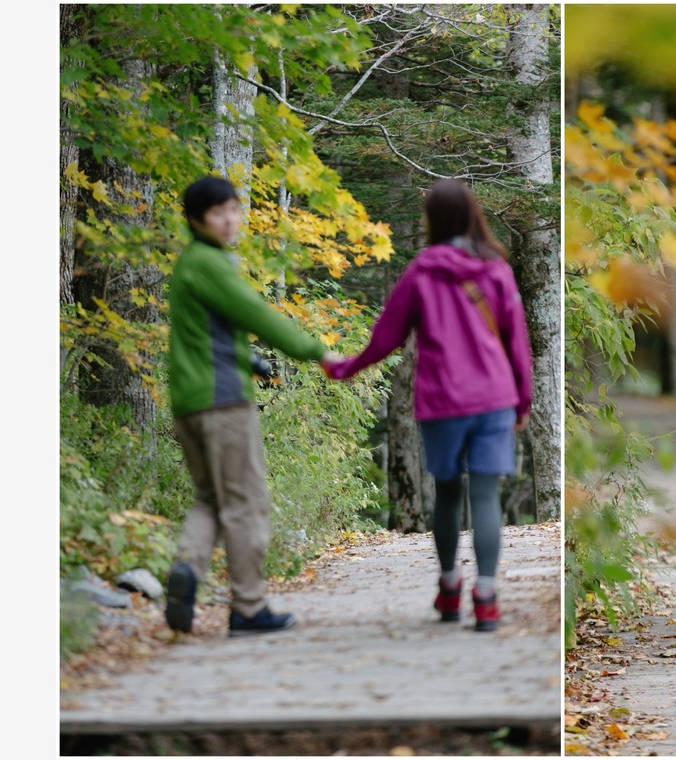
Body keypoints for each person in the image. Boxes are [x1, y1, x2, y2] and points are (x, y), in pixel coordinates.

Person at [325, 178, 533, 632]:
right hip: (494, 398)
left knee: (447, 492)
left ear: (433, 220)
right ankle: (487, 596)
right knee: (484, 495)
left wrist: (345, 367)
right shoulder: (495, 270)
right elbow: (518, 341)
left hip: (442, 401)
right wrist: (523, 398)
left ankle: (449, 586)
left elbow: (387, 337)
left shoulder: (422, 271)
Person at [165, 176, 342, 637]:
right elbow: (255, 313)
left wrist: (251, 360)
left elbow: (207, 333)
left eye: (233, 209)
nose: (229, 220)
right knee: (246, 502)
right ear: (196, 220)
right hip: (223, 404)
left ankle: (187, 567)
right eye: (217, 212)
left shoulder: (188, 266)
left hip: (189, 402)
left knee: (210, 498)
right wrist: (316, 350)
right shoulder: (209, 263)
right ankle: (248, 607)